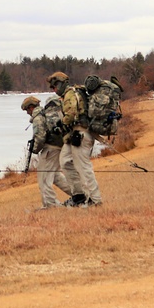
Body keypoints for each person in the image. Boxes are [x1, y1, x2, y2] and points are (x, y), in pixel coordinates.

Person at [49, 71, 102, 207]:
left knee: (83, 167)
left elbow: (71, 114)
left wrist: (61, 124)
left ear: (61, 84)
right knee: (65, 161)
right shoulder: (71, 94)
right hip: (73, 135)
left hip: (81, 134)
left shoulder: (70, 94)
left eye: (55, 86)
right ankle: (79, 195)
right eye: (52, 87)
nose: (54, 90)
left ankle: (95, 200)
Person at [21, 95, 73, 209]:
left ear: (31, 107)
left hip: (50, 149)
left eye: (26, 110)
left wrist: (35, 149)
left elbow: (40, 137)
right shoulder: (45, 113)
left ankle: (51, 205)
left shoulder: (38, 117)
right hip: (59, 147)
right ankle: (79, 194)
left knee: (44, 178)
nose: (27, 113)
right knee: (55, 176)